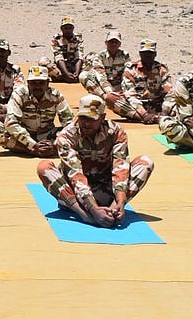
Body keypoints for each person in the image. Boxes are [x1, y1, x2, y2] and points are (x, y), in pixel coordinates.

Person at [36, 94, 154, 227]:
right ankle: (83, 214)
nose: (85, 123)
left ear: (102, 118)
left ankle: (114, 209)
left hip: (106, 188)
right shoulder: (67, 135)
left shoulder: (115, 132)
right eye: (82, 118)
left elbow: (120, 166)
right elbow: (75, 174)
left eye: (91, 119)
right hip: (77, 193)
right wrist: (92, 209)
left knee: (145, 162)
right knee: (44, 167)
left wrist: (120, 200)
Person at [0, 65, 73, 156]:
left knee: (76, 131)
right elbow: (11, 123)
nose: (37, 87)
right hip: (23, 136)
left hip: (47, 136)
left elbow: (69, 123)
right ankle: (29, 151)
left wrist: (55, 144)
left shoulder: (56, 95)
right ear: (28, 83)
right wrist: (33, 145)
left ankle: (49, 149)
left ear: (47, 83)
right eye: (34, 83)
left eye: (41, 83)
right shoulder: (19, 94)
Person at [79, 30, 136, 119]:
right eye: (111, 42)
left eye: (115, 42)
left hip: (120, 87)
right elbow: (101, 77)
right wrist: (109, 94)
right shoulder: (100, 56)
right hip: (104, 89)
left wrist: (124, 92)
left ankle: (130, 111)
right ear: (106, 43)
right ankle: (106, 99)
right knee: (84, 76)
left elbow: (127, 75)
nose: (113, 44)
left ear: (119, 44)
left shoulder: (125, 56)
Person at [122, 38, 173, 124]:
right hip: (136, 107)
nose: (147, 56)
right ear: (140, 54)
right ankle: (149, 118)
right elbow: (130, 95)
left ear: (155, 54)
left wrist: (165, 111)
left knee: (178, 98)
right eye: (145, 53)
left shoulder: (161, 69)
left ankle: (159, 117)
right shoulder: (131, 69)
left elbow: (169, 92)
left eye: (150, 53)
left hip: (157, 107)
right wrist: (144, 113)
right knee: (111, 98)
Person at [47, 17, 84, 83]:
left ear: (73, 28)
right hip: (61, 68)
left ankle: (73, 77)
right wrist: (66, 73)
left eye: (70, 28)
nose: (68, 30)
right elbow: (58, 57)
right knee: (43, 61)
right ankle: (65, 77)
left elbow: (79, 56)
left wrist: (77, 72)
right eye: (66, 28)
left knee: (92, 57)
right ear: (61, 29)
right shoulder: (56, 39)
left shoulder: (78, 37)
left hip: (75, 66)